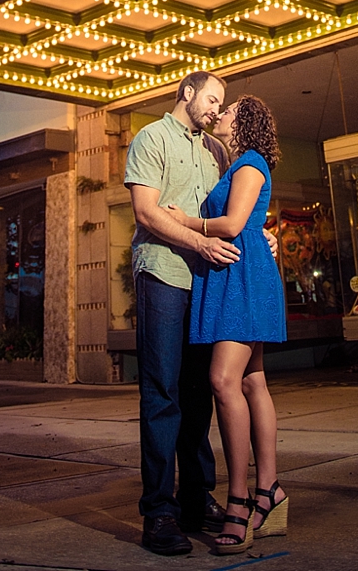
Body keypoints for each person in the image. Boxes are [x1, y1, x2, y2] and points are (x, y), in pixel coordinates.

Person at [124, 71, 238, 555]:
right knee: (163, 392)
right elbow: (147, 213)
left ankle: (196, 497)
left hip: (206, 283)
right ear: (187, 93)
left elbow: (229, 211)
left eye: (221, 104)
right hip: (163, 276)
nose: (215, 109)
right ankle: (159, 512)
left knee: (199, 395)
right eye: (211, 99)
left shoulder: (216, 150)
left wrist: (260, 235)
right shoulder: (151, 138)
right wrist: (198, 241)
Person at [170, 96, 290, 553]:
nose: (220, 114)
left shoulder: (250, 163)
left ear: (245, 123)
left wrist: (186, 221)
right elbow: (251, 221)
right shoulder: (238, 164)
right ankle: (270, 492)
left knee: (223, 380)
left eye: (229, 109)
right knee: (253, 382)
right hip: (239, 274)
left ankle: (239, 500)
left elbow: (235, 223)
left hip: (241, 277)